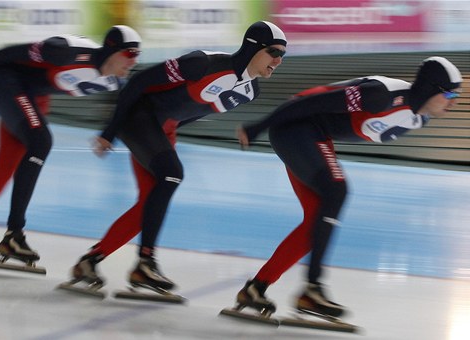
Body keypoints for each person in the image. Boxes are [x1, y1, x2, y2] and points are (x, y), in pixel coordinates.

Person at [232, 57, 463, 318]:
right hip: (295, 127)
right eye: (450, 93)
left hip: (314, 137)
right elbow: (307, 102)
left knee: (316, 220)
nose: (454, 101)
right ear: (431, 88)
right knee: (337, 191)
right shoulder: (381, 95)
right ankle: (313, 289)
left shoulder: (419, 119)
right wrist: (258, 126)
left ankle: (256, 288)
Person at [68, 21, 288, 293]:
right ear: (253, 48)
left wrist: (167, 135)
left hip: (162, 129)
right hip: (139, 118)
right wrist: (110, 132)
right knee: (171, 175)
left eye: (283, 55)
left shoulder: (250, 92)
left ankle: (90, 261)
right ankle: (145, 263)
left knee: (150, 203)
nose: (278, 61)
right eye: (274, 52)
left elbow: (198, 111)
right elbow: (138, 82)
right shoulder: (202, 63)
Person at [0, 25, 142, 268]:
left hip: (33, 97)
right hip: (7, 82)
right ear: (112, 50)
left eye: (138, 55)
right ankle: (14, 233)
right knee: (41, 141)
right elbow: (4, 54)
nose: (133, 61)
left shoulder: (115, 82)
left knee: (3, 173)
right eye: (130, 54)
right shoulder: (65, 51)